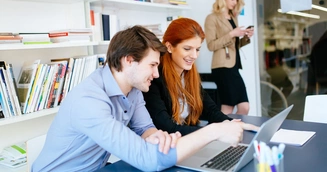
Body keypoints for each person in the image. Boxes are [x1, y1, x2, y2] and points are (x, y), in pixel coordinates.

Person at [32, 25, 247, 172]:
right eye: (152, 65)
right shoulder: (89, 101)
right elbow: (147, 159)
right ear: (128, 61)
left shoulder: (133, 90)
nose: (156, 74)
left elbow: (146, 129)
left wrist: (158, 137)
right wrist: (215, 131)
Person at [143, 18, 258, 136]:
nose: (194, 55)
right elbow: (168, 128)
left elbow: (211, 110)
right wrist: (215, 132)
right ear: (169, 47)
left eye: (197, 49)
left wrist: (232, 123)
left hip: (186, 141)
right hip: (167, 145)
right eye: (187, 49)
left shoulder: (188, 74)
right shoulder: (154, 78)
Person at [204, 0, 254, 115]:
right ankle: (227, 133)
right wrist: (232, 34)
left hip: (233, 66)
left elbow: (234, 45)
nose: (235, 2)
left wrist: (246, 37)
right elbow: (211, 45)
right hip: (222, 67)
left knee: (244, 107)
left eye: (237, 0)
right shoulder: (212, 18)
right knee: (228, 108)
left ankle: (233, 131)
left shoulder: (233, 17)